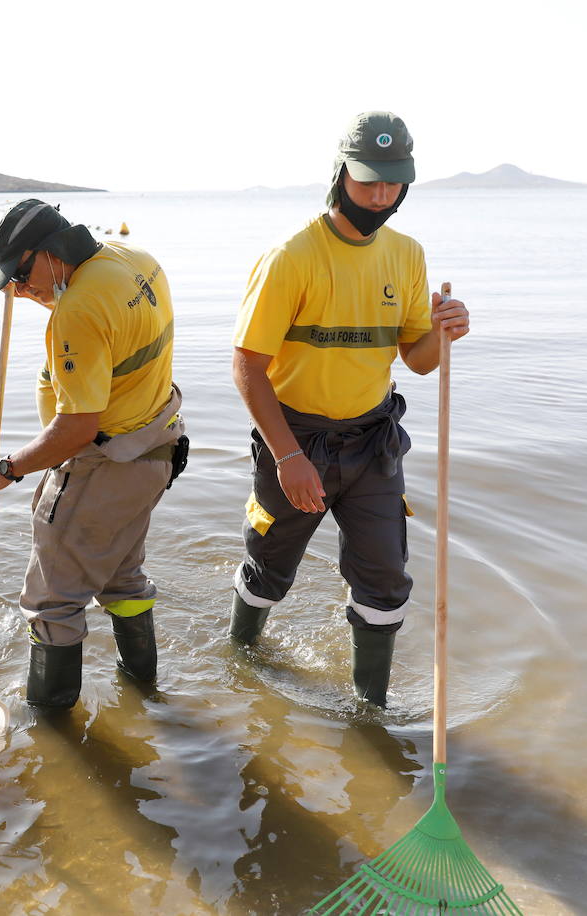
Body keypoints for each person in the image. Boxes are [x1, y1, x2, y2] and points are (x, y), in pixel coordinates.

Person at [228, 111, 470, 707]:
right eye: (368, 182)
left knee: (386, 584)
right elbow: (247, 366)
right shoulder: (292, 256)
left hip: (373, 442)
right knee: (268, 571)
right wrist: (287, 456)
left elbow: (415, 361)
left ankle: (372, 718)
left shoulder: (407, 254)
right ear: (340, 175)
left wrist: (443, 335)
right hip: (297, 438)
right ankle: (239, 660)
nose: (382, 196)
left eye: (393, 183)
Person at [0, 199, 186, 710]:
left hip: (103, 465)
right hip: (154, 450)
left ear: (49, 254)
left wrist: (9, 469)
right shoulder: (130, 258)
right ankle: (145, 697)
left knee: (52, 602)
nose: (20, 290)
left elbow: (76, 428)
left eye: (23, 275)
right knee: (121, 577)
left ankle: (53, 742)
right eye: (13, 283)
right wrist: (47, 296)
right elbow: (112, 329)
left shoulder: (80, 309)